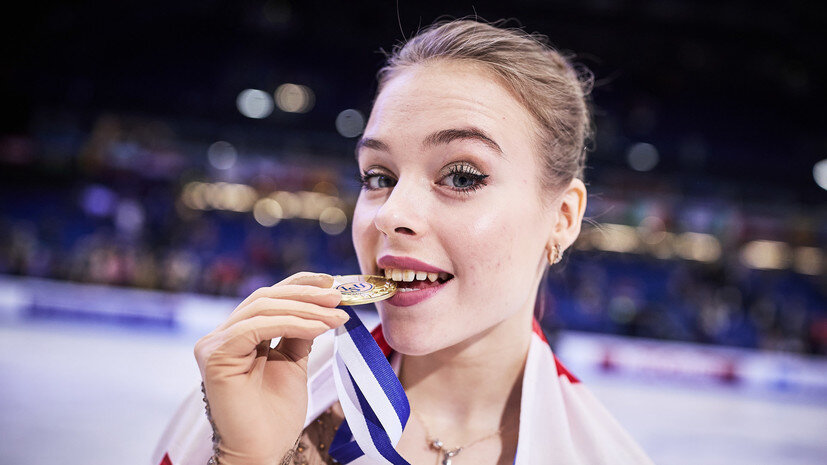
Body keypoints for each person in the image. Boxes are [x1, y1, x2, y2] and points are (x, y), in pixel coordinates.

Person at [153, 18, 655, 465]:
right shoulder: (251, 404)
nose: (391, 215)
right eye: (378, 177)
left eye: (461, 177)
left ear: (563, 218)